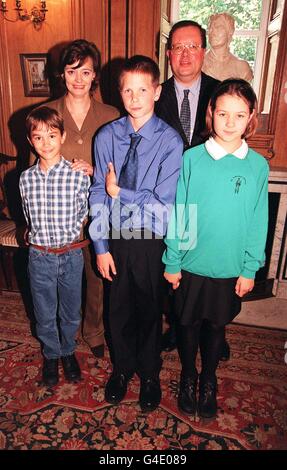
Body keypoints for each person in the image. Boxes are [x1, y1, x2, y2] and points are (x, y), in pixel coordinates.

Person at [163, 79, 269, 418]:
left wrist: (250, 267)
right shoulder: (193, 159)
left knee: (215, 326)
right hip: (192, 264)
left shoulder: (257, 167)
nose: (229, 122)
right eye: (222, 113)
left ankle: (208, 379)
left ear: (251, 117)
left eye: (239, 115)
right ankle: (188, 373)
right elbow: (181, 211)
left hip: (228, 267)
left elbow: (257, 219)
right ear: (211, 113)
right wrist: (173, 259)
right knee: (188, 323)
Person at [89, 55, 183, 412]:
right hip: (115, 236)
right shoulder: (107, 135)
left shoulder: (171, 142)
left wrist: (121, 192)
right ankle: (122, 368)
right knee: (118, 309)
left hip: (150, 239)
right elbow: (98, 191)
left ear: (157, 92)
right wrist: (100, 245)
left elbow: (165, 207)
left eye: (143, 89)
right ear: (120, 92)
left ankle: (149, 374)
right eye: (127, 89)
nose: (134, 96)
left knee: (148, 309)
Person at [30, 39, 119, 358]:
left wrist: (95, 170)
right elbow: (33, 169)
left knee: (96, 277)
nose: (78, 79)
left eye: (86, 71)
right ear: (61, 74)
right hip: (57, 216)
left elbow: (120, 168)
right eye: (71, 71)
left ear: (95, 75)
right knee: (55, 283)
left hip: (97, 213)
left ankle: (94, 330)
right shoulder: (46, 112)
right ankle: (56, 337)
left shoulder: (111, 114)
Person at [155, 20, 230, 359]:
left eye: (192, 47)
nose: (185, 54)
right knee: (174, 267)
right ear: (169, 54)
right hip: (169, 199)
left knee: (210, 269)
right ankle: (177, 324)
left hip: (211, 200)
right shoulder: (154, 95)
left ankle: (213, 328)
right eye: (178, 48)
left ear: (203, 52)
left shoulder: (222, 92)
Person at [20, 106, 90, 387]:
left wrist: (69, 236)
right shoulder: (25, 179)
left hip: (71, 254)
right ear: (30, 141)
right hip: (40, 257)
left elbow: (83, 213)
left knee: (71, 310)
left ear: (62, 136)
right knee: (44, 310)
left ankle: (68, 351)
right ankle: (51, 353)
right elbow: (28, 215)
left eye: (52, 135)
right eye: (38, 137)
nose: (46, 143)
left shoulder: (77, 175)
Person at [202, 13, 253, 82]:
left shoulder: (242, 68)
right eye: (210, 28)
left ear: (230, 32)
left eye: (218, 27)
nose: (212, 32)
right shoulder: (198, 62)